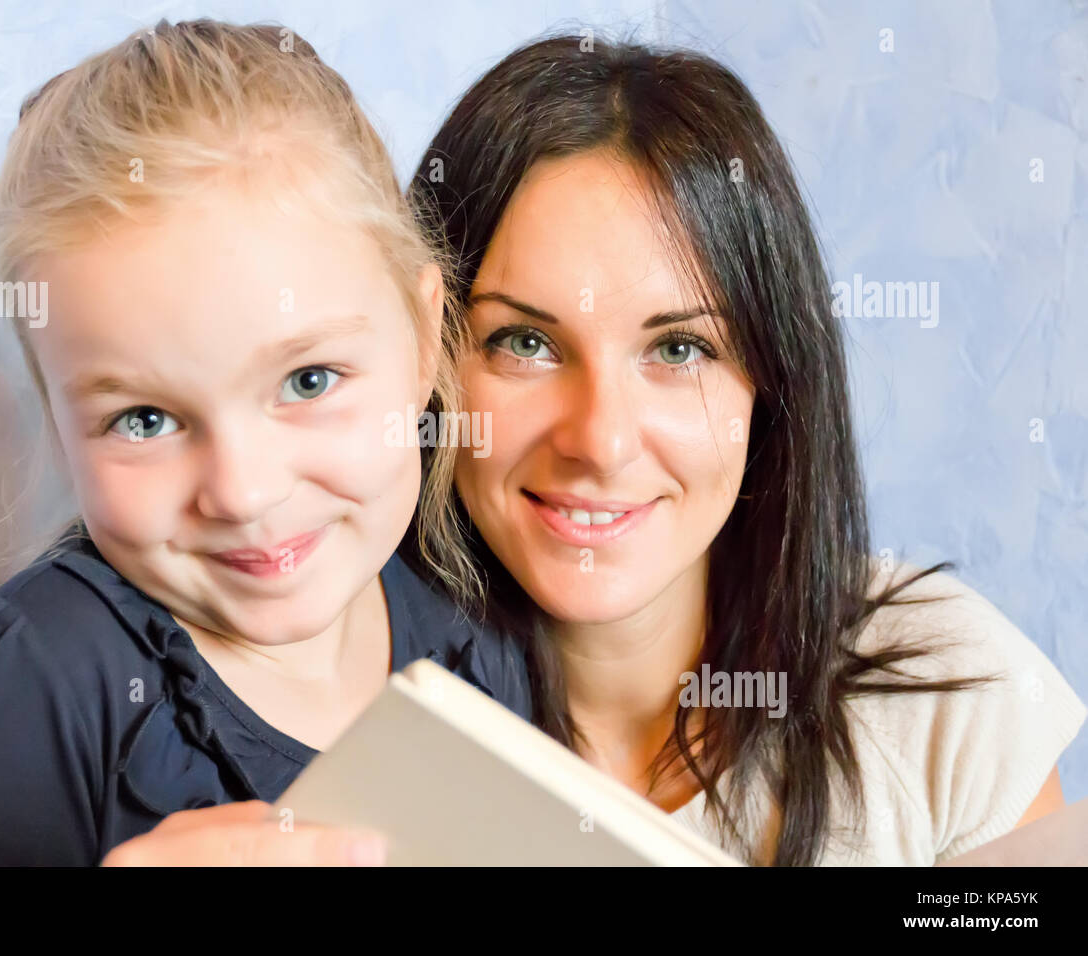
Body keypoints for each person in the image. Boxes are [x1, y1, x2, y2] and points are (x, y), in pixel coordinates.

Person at [403, 33, 1086, 865]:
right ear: (422, 360)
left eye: (680, 350)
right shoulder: (331, 719)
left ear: (769, 385)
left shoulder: (945, 704)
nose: (601, 441)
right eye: (525, 342)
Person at [0, 18, 528, 867]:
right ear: (60, 427)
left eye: (309, 381)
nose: (243, 493)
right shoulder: (29, 679)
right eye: (144, 421)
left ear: (426, 339)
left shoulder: (476, 653)